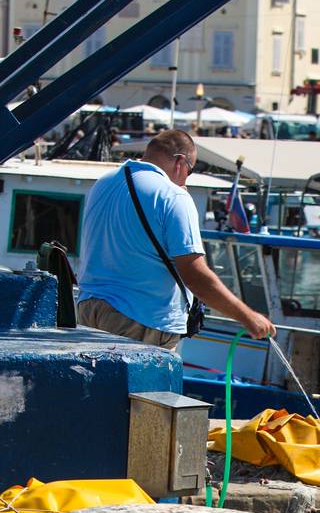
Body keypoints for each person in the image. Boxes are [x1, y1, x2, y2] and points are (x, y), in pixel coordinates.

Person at [77, 128, 275, 350]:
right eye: (189, 171)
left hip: (88, 310)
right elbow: (194, 275)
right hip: (139, 318)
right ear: (180, 162)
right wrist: (248, 316)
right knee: (143, 386)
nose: (186, 178)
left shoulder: (104, 183)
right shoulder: (172, 196)